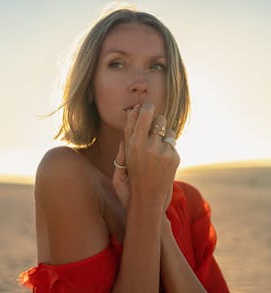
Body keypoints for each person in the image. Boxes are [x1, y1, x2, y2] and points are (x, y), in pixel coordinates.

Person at [17, 6, 229, 292]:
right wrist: (146, 205)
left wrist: (158, 219)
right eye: (117, 64)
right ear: (89, 85)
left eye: (157, 66)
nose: (140, 84)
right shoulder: (65, 173)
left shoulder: (188, 202)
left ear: (173, 86)